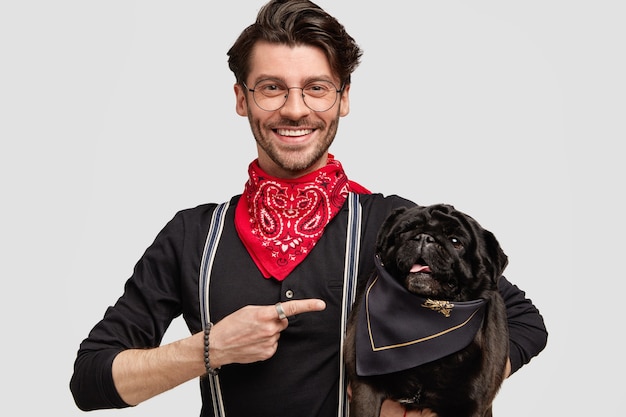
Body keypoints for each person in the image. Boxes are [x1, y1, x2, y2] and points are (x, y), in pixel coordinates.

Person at [69, 1, 548, 416]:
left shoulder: (397, 225)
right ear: (242, 98)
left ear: (342, 100)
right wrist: (209, 349)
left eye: (317, 88)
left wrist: (446, 405)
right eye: (272, 87)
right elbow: (90, 379)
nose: (295, 109)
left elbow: (522, 320)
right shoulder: (192, 235)